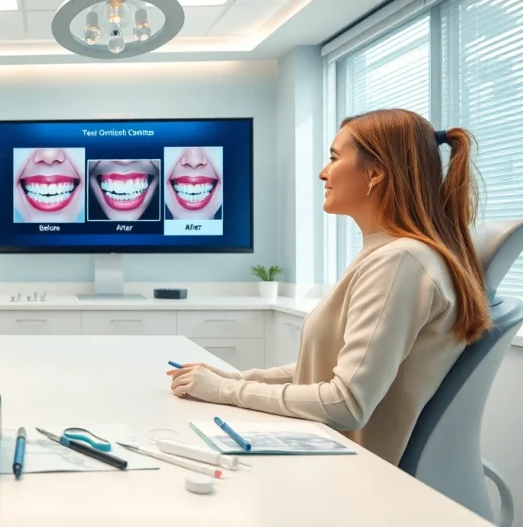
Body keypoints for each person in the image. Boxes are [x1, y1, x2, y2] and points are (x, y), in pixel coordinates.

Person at [168, 108, 490, 465]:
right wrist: (231, 378)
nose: (324, 172)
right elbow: (328, 368)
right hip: (327, 452)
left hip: (349, 472)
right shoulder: (389, 253)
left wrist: (227, 390)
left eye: (335, 158)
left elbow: (345, 403)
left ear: (376, 172)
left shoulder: (400, 261)